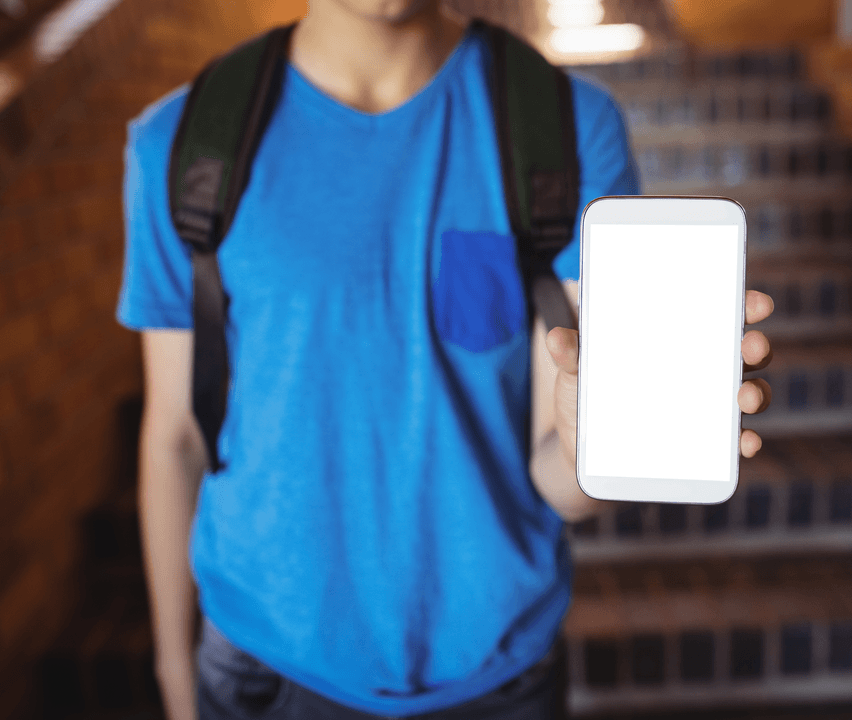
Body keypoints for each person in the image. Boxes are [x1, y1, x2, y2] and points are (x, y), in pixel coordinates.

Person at [116, 1, 775, 718]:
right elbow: (174, 437)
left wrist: (598, 448)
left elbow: (559, 474)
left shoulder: (562, 127)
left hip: (500, 676)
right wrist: (172, 672)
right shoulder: (182, 143)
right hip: (263, 670)